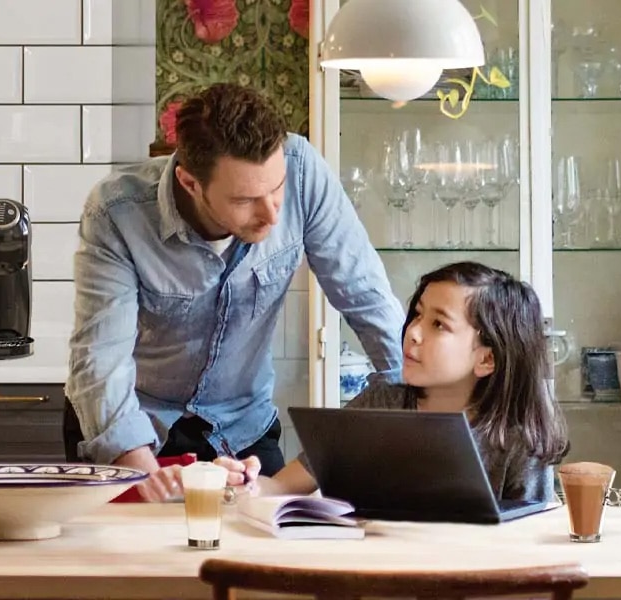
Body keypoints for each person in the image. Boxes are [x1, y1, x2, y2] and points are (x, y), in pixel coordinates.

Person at [63, 82, 405, 502]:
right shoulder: (116, 214)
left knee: (265, 555)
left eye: (276, 189)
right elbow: (100, 361)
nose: (271, 213)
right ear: (190, 183)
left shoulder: (302, 171)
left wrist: (410, 395)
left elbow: (369, 299)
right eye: (245, 199)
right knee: (136, 555)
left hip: (242, 427)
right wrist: (141, 475)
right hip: (133, 426)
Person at [212, 261, 570, 502]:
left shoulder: (519, 438)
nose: (412, 332)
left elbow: (530, 546)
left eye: (438, 324)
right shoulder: (380, 401)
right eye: (417, 314)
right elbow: (282, 485)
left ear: (487, 358)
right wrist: (244, 482)